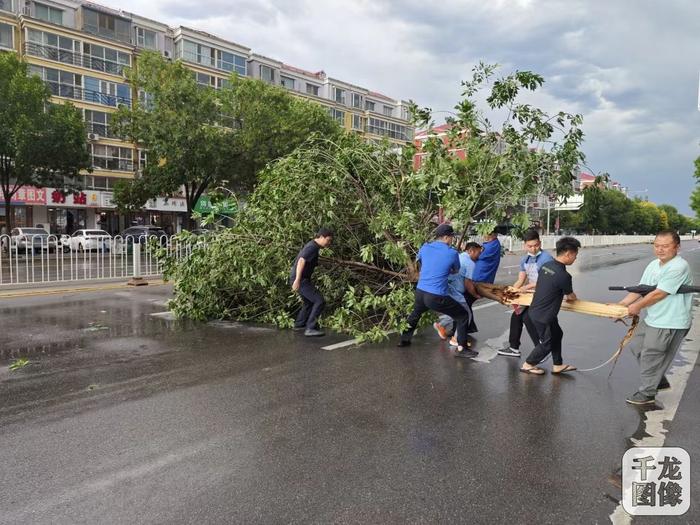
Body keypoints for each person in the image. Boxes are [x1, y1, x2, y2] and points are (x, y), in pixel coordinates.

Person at [618, 230, 693, 405]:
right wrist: (621, 305)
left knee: (651, 355)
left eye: (665, 246)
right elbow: (641, 289)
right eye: (657, 245)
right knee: (636, 346)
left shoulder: (678, 266)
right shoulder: (653, 265)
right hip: (654, 318)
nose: (660, 250)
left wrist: (635, 307)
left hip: (670, 321)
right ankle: (658, 380)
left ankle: (647, 393)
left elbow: (659, 294)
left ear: (677, 247)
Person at [398, 224, 478, 358]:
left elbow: (421, 262)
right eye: (452, 237)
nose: (453, 240)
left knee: (415, 314)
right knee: (462, 315)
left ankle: (404, 340)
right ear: (446, 237)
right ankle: (462, 348)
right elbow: (455, 270)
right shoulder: (452, 253)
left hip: (420, 291)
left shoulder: (425, 247)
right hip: (435, 296)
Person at [520, 236, 581, 375]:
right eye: (575, 255)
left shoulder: (546, 266)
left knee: (557, 334)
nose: (575, 259)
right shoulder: (564, 275)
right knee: (547, 343)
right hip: (544, 316)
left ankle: (557, 364)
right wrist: (574, 297)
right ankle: (528, 364)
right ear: (568, 254)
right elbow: (571, 297)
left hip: (537, 311)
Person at [499, 230, 554, 357]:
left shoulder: (546, 259)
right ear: (525, 245)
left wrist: (528, 286)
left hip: (543, 294)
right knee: (516, 316)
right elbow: (521, 280)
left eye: (536, 245)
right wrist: (511, 292)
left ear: (540, 243)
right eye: (530, 246)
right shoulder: (525, 259)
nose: (533, 249)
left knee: (528, 317)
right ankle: (514, 348)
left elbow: (547, 280)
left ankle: (540, 350)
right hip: (529, 294)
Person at [433, 242, 482, 347]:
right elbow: (467, 283)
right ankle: (456, 339)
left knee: (456, 312)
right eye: (478, 252)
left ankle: (441, 325)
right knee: (465, 314)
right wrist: (476, 295)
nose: (479, 255)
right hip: (456, 293)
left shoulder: (459, 257)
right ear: (471, 251)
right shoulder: (470, 263)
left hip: (446, 289)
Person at [291, 227, 334, 337]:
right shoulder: (312, 247)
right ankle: (310, 328)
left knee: (309, 302)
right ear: (321, 237)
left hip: (301, 279)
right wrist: (297, 280)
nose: (329, 243)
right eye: (328, 240)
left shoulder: (314, 246)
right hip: (301, 280)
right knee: (319, 301)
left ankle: (300, 324)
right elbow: (301, 261)